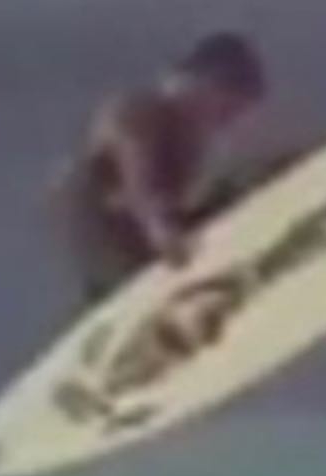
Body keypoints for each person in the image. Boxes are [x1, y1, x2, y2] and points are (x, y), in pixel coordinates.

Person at [56, 32, 268, 307]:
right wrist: (160, 227)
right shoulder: (140, 111)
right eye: (225, 110)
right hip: (114, 243)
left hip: (141, 241)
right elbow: (140, 180)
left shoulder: (189, 141)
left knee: (242, 187)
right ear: (202, 84)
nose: (225, 123)